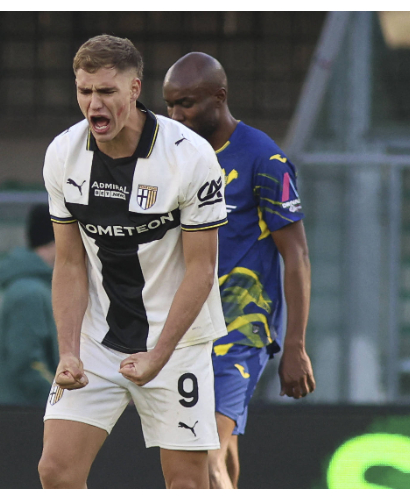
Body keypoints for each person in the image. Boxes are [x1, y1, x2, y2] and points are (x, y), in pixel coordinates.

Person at [38, 35, 229, 489]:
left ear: (134, 89)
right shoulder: (63, 154)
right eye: (85, 91)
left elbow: (202, 270)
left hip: (175, 342)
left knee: (186, 484)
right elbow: (68, 264)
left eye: (106, 91)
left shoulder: (190, 157)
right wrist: (68, 351)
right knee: (56, 470)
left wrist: (158, 356)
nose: (93, 104)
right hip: (97, 341)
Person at [163, 52, 316, 489]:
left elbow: (298, 256)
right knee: (221, 450)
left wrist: (295, 346)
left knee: (204, 451)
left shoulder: (263, 159)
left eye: (187, 104)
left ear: (220, 96)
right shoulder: (174, 157)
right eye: (170, 105)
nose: (176, 116)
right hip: (185, 330)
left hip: (240, 332)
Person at [0, 203, 59, 406]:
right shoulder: (29, 293)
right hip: (26, 415)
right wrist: (65, 401)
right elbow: (28, 363)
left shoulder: (39, 289)